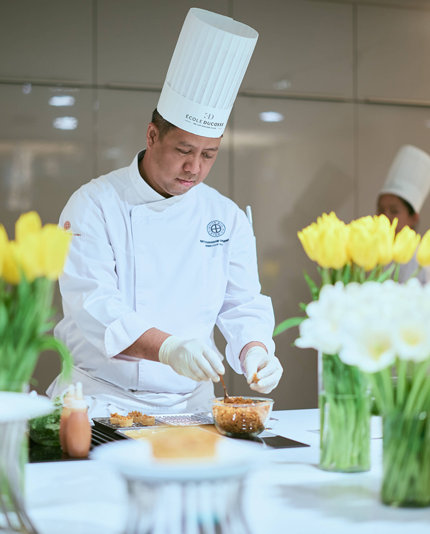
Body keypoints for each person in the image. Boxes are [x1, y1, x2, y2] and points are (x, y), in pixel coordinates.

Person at [46, 9, 282, 417]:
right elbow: (93, 305)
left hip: (191, 407)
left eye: (209, 154)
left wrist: (256, 350)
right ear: (153, 135)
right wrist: (169, 348)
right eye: (184, 151)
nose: (195, 168)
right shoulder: (94, 204)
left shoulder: (225, 217)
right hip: (101, 402)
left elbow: (242, 303)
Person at [376, 144, 430, 283]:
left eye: (394, 211)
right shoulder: (376, 251)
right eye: (381, 210)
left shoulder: (418, 260)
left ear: (413, 218)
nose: (385, 217)